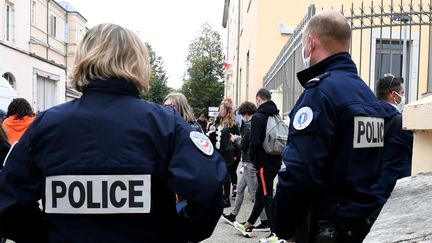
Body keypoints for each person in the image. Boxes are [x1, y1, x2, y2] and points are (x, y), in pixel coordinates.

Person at [0, 23, 226, 243]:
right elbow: (208, 191)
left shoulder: (45, 125)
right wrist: (175, 233)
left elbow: (8, 202)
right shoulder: (165, 124)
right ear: (138, 64)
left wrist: (47, 235)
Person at [272, 10, 390, 243]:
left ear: (311, 42)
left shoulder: (319, 94)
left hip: (327, 227)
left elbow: (300, 172)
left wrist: (281, 225)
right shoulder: (366, 94)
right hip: (362, 225)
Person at [234, 88, 282, 242]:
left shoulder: (258, 117)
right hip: (275, 159)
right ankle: (249, 224)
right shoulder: (276, 114)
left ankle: (276, 233)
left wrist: (253, 158)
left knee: (267, 196)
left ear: (258, 99)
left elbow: (254, 143)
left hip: (263, 163)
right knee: (261, 194)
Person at [222, 101, 269, 235]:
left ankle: (265, 221)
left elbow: (244, 145)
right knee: (241, 189)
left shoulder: (249, 125)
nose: (241, 117)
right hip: (249, 163)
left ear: (245, 113)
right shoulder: (252, 124)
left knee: (255, 195)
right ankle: (233, 214)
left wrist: (235, 139)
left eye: (242, 114)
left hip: (249, 163)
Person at [372, 74, 413, 205]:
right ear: (393, 95)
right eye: (402, 93)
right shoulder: (399, 121)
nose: (403, 97)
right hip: (393, 190)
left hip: (372, 190)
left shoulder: (369, 116)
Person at [208, 102, 240, 208]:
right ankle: (220, 197)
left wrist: (236, 154)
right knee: (218, 174)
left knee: (226, 176)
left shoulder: (233, 123)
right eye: (219, 109)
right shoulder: (217, 120)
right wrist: (211, 129)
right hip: (217, 152)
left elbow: (237, 139)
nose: (220, 111)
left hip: (227, 153)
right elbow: (213, 133)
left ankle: (226, 198)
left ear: (227, 110)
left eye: (222, 109)